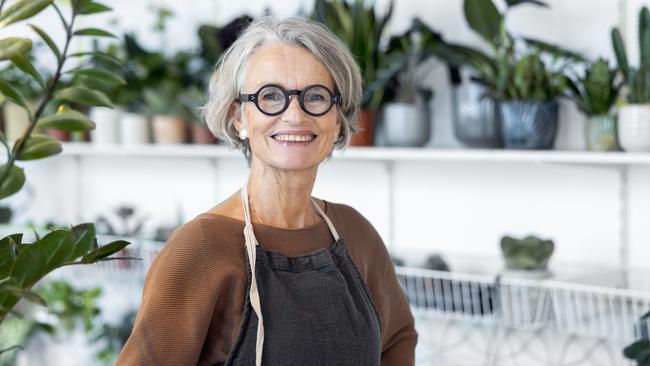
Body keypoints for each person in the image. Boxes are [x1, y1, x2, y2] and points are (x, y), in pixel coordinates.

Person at [116, 16, 417, 366]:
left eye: (315, 96)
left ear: (337, 118)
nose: (294, 115)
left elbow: (397, 340)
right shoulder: (200, 250)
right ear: (239, 117)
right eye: (270, 96)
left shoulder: (355, 234)